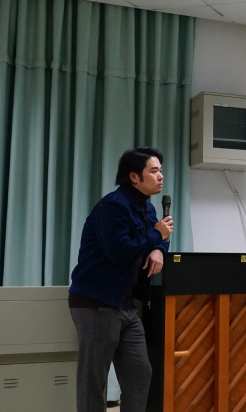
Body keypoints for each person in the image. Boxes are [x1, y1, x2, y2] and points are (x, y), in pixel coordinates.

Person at [69, 147, 173, 412]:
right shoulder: (114, 206)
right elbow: (120, 252)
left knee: (140, 373)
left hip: (126, 304)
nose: (161, 176)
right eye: (154, 170)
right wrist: (157, 237)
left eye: (160, 170)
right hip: (96, 302)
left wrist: (159, 249)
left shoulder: (148, 208)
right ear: (134, 177)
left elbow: (159, 237)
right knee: (93, 379)